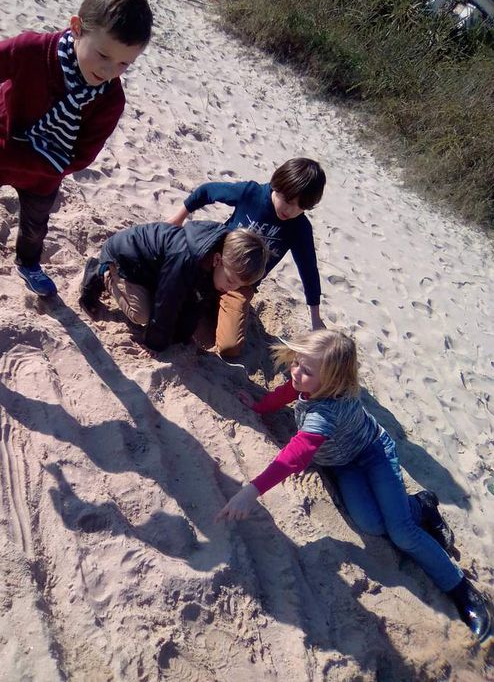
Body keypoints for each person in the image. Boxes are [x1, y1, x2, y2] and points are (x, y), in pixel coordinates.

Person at [216, 329, 492, 642]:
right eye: (297, 363)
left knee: (401, 532)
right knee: (372, 525)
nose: (295, 372)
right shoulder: (313, 384)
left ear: (333, 380)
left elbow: (294, 456)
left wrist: (250, 491)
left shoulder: (323, 413)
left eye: (305, 370)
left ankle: (462, 591)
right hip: (343, 465)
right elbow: (289, 391)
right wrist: (260, 407)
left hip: (374, 452)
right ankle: (421, 506)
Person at [0, 0, 153, 297]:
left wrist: (13, 158)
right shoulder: (30, 51)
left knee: (34, 228)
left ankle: (27, 264)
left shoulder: (111, 99)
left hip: (43, 172)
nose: (111, 70)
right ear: (77, 28)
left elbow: (81, 157)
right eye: (103, 55)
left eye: (125, 63)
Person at [167, 158, 326, 358]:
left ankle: (215, 308)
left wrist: (316, 318)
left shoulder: (299, 228)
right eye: (288, 201)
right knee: (172, 299)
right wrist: (178, 218)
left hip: (242, 285)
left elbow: (309, 271)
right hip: (217, 265)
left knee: (228, 347)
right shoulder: (252, 193)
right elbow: (207, 191)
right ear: (277, 185)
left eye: (300, 207)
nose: (291, 210)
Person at [79, 222, 269, 352]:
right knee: (142, 315)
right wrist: (155, 344)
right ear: (217, 260)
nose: (231, 289)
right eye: (230, 281)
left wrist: (181, 336)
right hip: (125, 260)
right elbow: (166, 301)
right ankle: (101, 274)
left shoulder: (215, 262)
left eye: (238, 286)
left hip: (154, 271)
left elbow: (196, 300)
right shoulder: (185, 258)